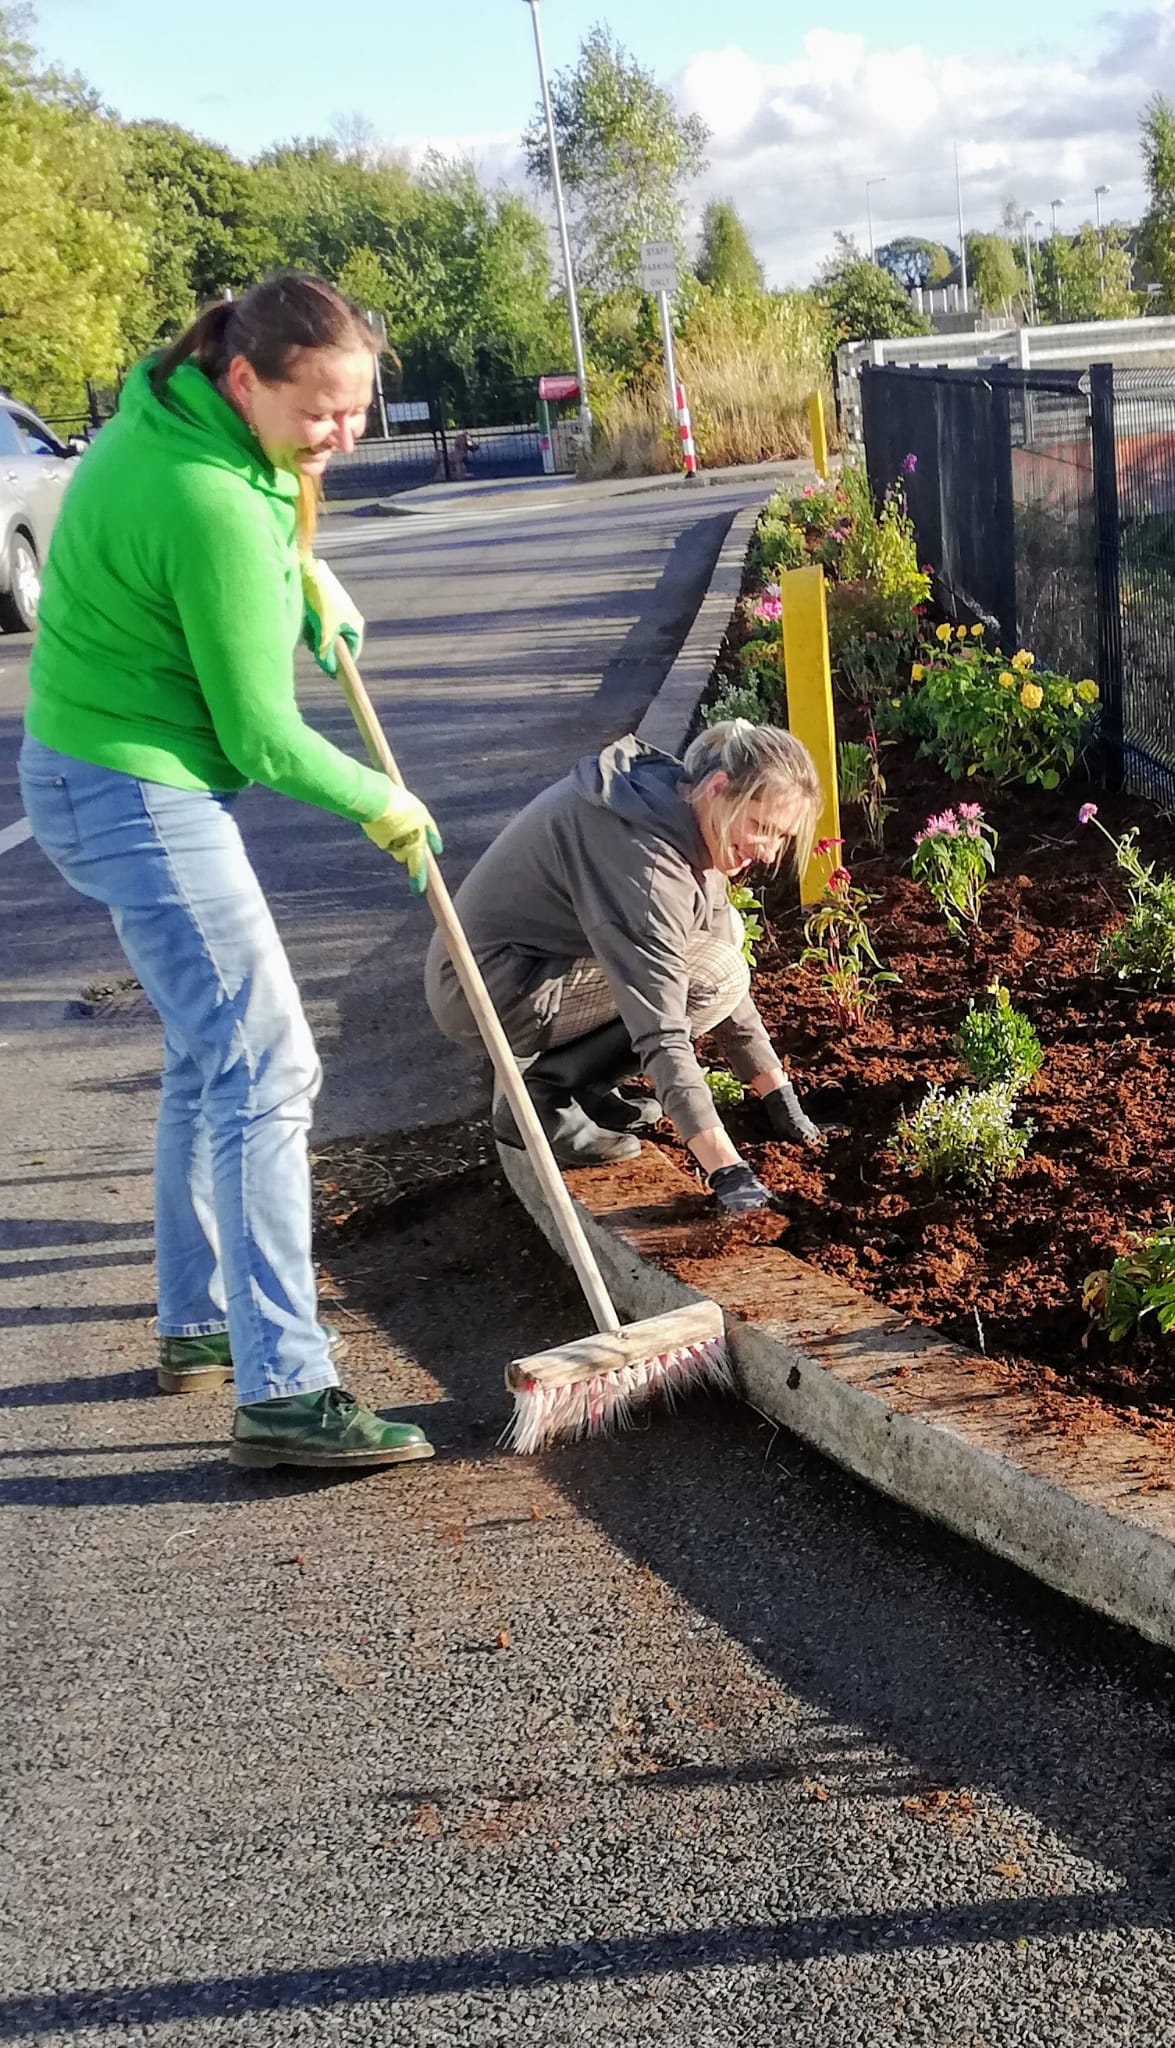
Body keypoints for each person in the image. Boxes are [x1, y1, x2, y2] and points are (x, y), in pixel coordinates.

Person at [17, 274, 440, 1473]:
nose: (344, 438)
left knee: (216, 1055)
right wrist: (384, 801)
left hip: (90, 766)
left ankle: (200, 1323)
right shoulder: (206, 496)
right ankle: (286, 1387)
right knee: (269, 1060)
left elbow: (269, 496)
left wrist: (307, 573)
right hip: (135, 789)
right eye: (323, 414)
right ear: (249, 378)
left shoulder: (172, 406)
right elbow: (262, 736)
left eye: (359, 410)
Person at [424, 720, 824, 1212]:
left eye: (781, 838)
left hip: (533, 971)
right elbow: (660, 1026)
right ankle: (543, 1098)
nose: (767, 852)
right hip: (486, 993)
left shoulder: (681, 812)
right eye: (761, 827)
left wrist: (778, 1098)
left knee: (724, 950)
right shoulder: (647, 861)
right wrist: (727, 1170)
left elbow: (727, 980)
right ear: (719, 789)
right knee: (712, 971)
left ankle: (583, 1087)